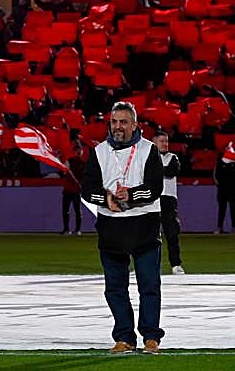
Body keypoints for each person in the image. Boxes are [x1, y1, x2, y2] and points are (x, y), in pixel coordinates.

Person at [80, 102, 165, 355]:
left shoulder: (148, 150)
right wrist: (106, 198)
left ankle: (151, 337)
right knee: (115, 288)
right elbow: (87, 189)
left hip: (144, 225)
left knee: (149, 286)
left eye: (123, 122)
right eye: (114, 122)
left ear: (135, 125)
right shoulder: (99, 151)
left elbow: (155, 188)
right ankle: (124, 337)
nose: (118, 126)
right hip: (111, 227)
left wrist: (131, 195)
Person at [154, 131, 183, 274]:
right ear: (154, 143)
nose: (165, 144)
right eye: (162, 141)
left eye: (166, 141)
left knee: (172, 234)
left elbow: (172, 171)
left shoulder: (173, 157)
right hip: (152, 200)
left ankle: (176, 264)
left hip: (168, 200)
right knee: (148, 236)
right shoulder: (148, 158)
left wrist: (155, 171)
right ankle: (146, 266)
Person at [215, 142, 235, 233]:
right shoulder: (220, 162)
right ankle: (220, 227)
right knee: (221, 209)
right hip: (222, 189)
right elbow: (215, 175)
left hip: (233, 189)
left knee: (233, 209)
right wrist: (219, 185)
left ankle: (234, 227)